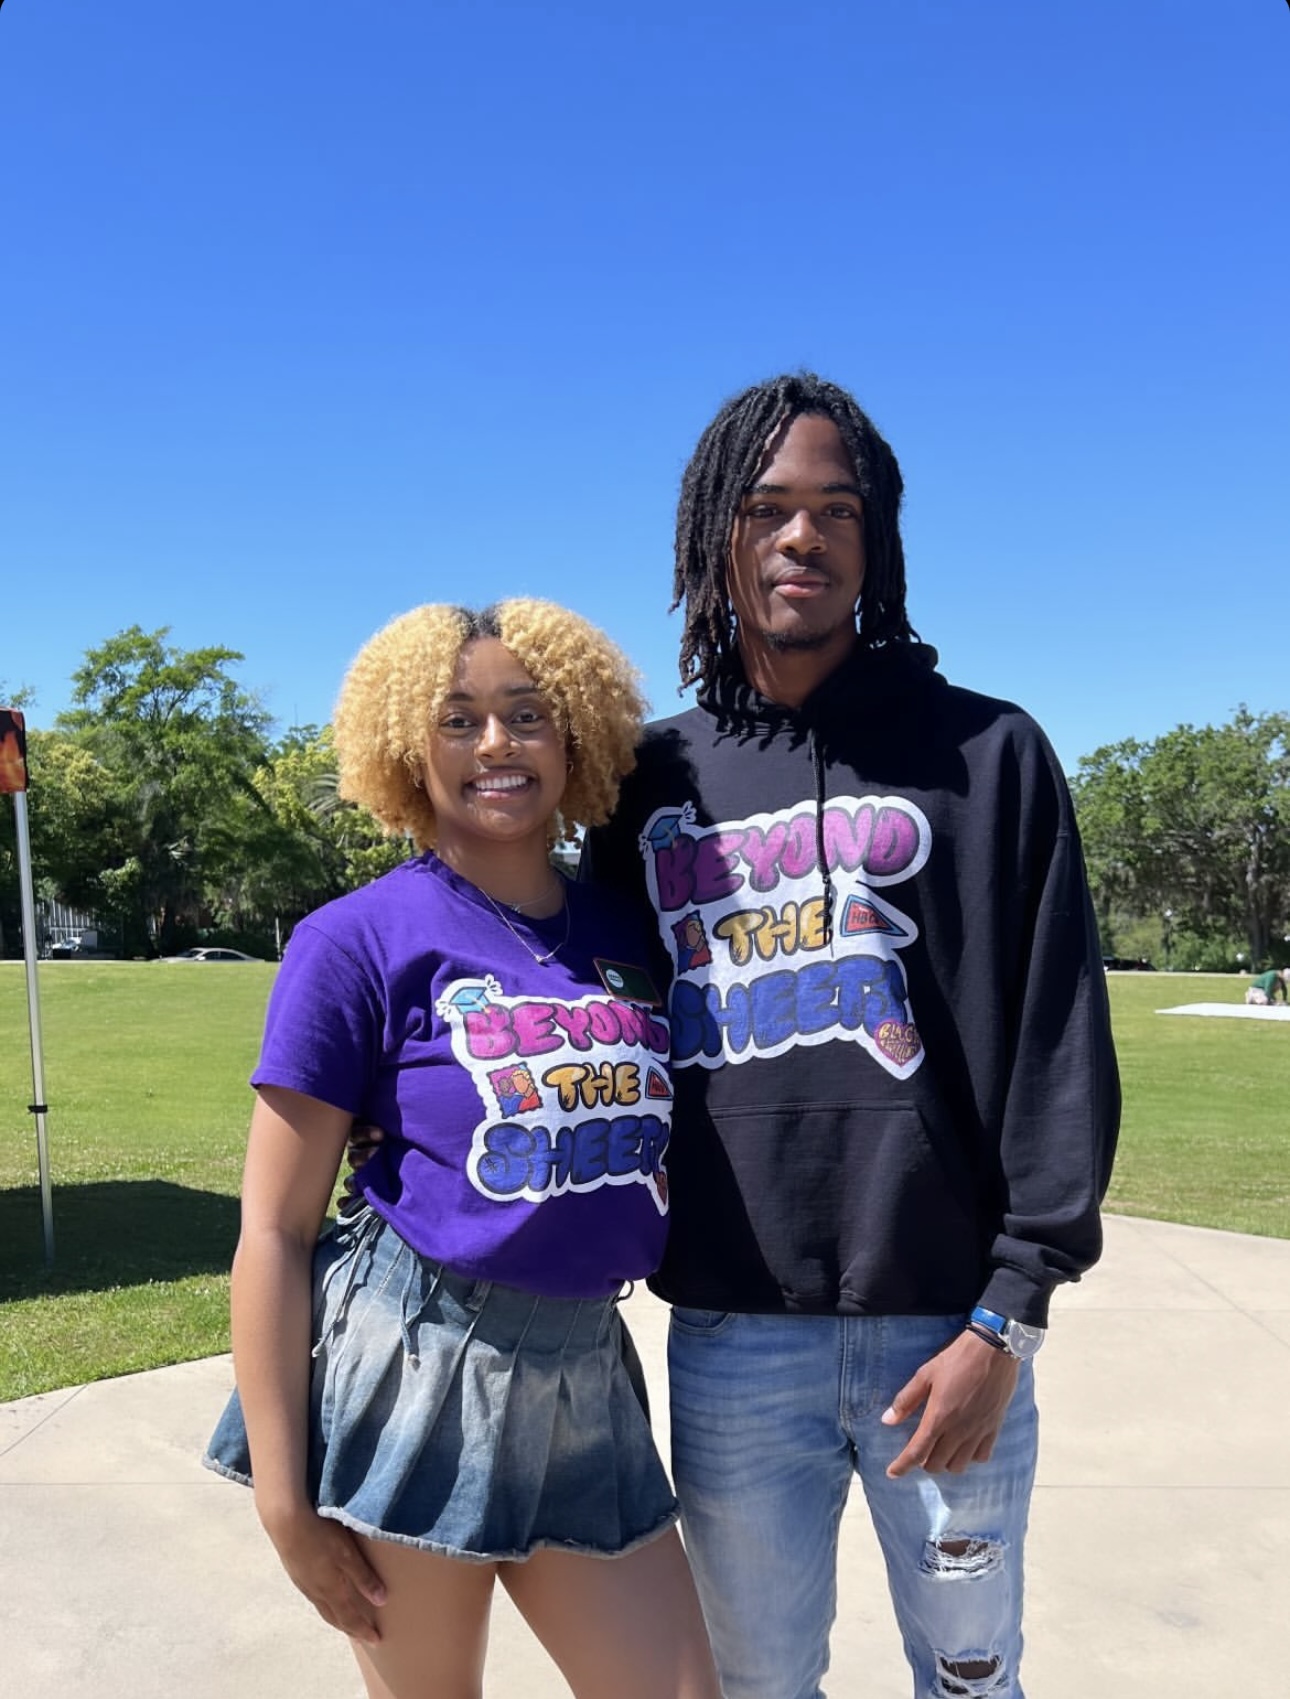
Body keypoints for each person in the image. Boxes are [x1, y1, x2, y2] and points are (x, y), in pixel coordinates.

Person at [582, 373, 1122, 1699]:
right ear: (714, 535)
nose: (801, 537)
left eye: (836, 509)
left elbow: (1057, 1037)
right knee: (757, 1683)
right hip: (731, 1330)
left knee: (970, 1677)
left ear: (876, 538)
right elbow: (587, 1019)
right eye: (766, 508)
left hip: (948, 1327)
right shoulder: (647, 780)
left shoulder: (989, 753)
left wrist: (1007, 1319)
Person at [205, 599, 720, 1699]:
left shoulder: (628, 929)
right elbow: (274, 1229)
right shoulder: (354, 941)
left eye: (527, 713)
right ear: (409, 748)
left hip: (586, 1370)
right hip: (418, 1361)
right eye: (458, 718)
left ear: (575, 735)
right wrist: (283, 1503)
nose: (497, 743)